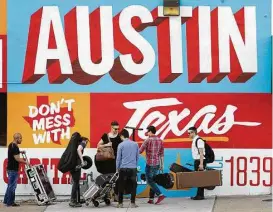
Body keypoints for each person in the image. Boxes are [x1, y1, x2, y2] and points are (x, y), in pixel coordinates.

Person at [94, 121, 122, 201]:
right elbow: (98, 146)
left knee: (117, 178)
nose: (116, 130)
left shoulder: (120, 137)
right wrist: (107, 145)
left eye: (118, 129)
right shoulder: (106, 136)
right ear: (111, 127)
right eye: (115, 128)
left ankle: (116, 194)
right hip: (106, 160)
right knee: (107, 178)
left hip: (116, 160)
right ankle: (107, 195)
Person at [139, 126, 166, 204]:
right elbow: (161, 154)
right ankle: (151, 199)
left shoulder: (147, 140)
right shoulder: (160, 140)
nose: (147, 133)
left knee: (150, 181)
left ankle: (160, 194)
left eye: (147, 131)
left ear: (150, 131)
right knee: (153, 180)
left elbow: (140, 151)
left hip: (150, 164)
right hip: (157, 164)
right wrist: (162, 165)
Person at [116, 129, 139, 208]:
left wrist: (117, 168)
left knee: (121, 186)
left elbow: (118, 158)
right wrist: (134, 165)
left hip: (123, 168)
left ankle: (120, 203)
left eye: (120, 137)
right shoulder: (135, 144)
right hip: (133, 168)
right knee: (133, 185)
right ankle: (133, 203)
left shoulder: (121, 145)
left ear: (122, 136)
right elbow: (137, 156)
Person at [3, 133, 27, 207]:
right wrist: (26, 162)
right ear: (17, 138)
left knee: (10, 185)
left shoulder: (11, 145)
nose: (21, 140)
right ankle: (10, 203)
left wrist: (20, 152)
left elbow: (13, 153)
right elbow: (17, 158)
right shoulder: (15, 147)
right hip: (13, 169)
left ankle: (6, 200)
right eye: (20, 138)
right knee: (12, 186)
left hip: (10, 168)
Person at [69, 136, 89, 207]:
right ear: (85, 140)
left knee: (76, 182)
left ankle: (77, 200)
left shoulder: (74, 145)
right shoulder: (83, 143)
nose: (86, 144)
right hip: (77, 166)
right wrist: (82, 161)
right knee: (76, 183)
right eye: (87, 142)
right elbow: (79, 150)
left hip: (72, 165)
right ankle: (72, 201)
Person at [188, 126, 206, 200]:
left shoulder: (198, 140)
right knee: (199, 179)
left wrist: (201, 164)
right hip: (197, 161)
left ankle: (200, 195)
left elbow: (201, 153)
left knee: (200, 179)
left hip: (199, 161)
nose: (188, 135)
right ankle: (199, 195)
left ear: (193, 132)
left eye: (189, 133)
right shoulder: (195, 140)